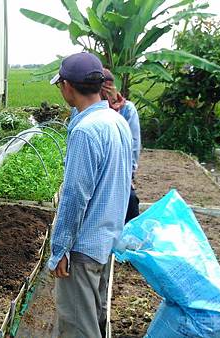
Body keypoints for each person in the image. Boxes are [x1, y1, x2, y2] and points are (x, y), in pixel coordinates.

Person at [48, 52, 132, 338]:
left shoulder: (85, 131)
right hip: (106, 239)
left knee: (78, 329)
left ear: (68, 86)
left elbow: (74, 197)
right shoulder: (116, 120)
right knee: (95, 318)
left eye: (60, 85)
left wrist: (59, 249)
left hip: (82, 248)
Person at [100, 68, 141, 223]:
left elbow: (133, 146)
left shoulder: (126, 109)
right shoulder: (84, 109)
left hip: (120, 171)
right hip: (98, 172)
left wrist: (128, 175)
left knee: (129, 200)